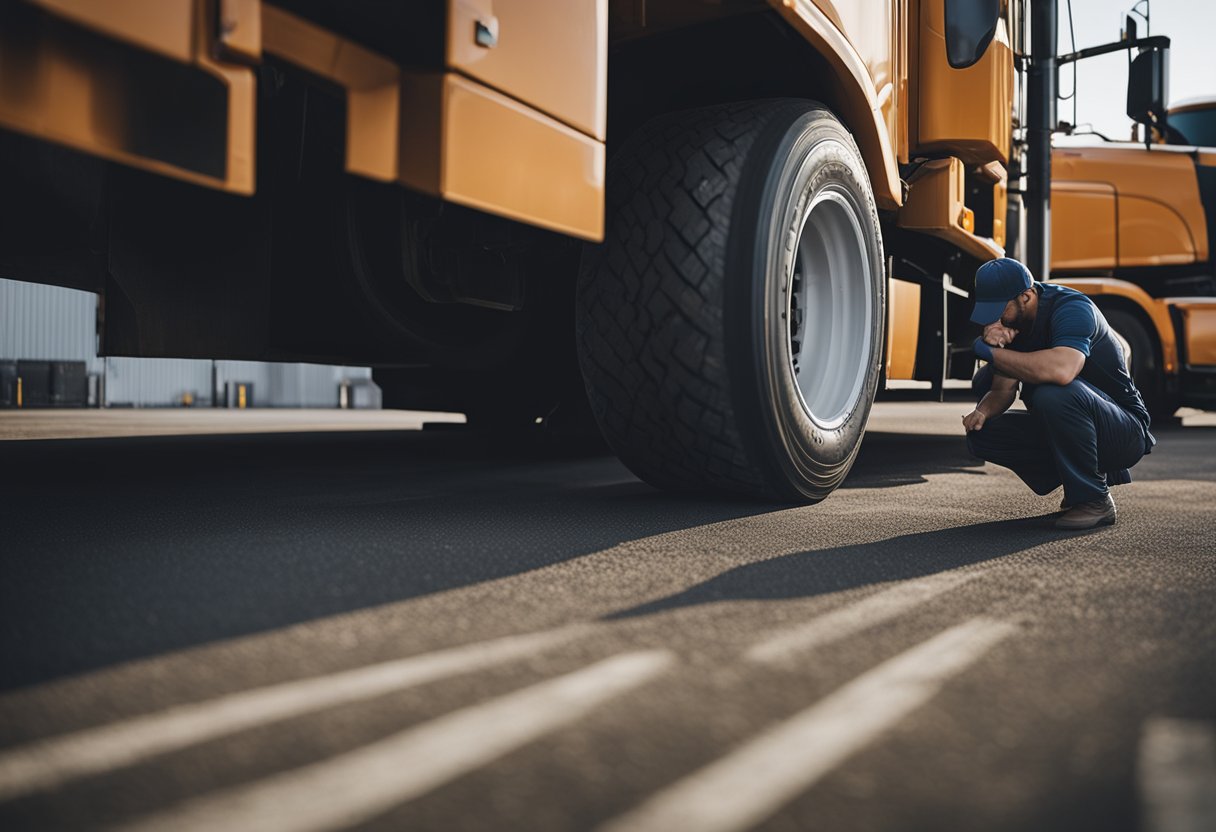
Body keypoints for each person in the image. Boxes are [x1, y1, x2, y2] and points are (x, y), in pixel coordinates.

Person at [961, 258, 1156, 530]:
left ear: (1026, 297)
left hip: (1124, 431)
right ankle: (1078, 478)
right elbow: (1000, 390)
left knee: (1051, 391)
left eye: (999, 310)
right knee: (986, 433)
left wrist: (990, 352)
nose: (994, 321)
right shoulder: (1015, 324)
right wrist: (981, 413)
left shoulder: (1072, 308)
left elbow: (1063, 370)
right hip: (1080, 422)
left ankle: (1094, 500)